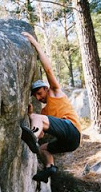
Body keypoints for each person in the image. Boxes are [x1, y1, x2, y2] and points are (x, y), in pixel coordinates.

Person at [21, 32, 81, 183]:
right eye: (36, 97)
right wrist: (30, 115)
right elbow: (41, 136)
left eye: (40, 93)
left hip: (72, 129)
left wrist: (34, 43)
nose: (39, 98)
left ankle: (31, 137)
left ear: (46, 88)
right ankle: (50, 168)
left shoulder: (55, 92)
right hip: (70, 143)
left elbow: (48, 69)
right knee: (42, 148)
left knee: (37, 123)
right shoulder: (44, 112)